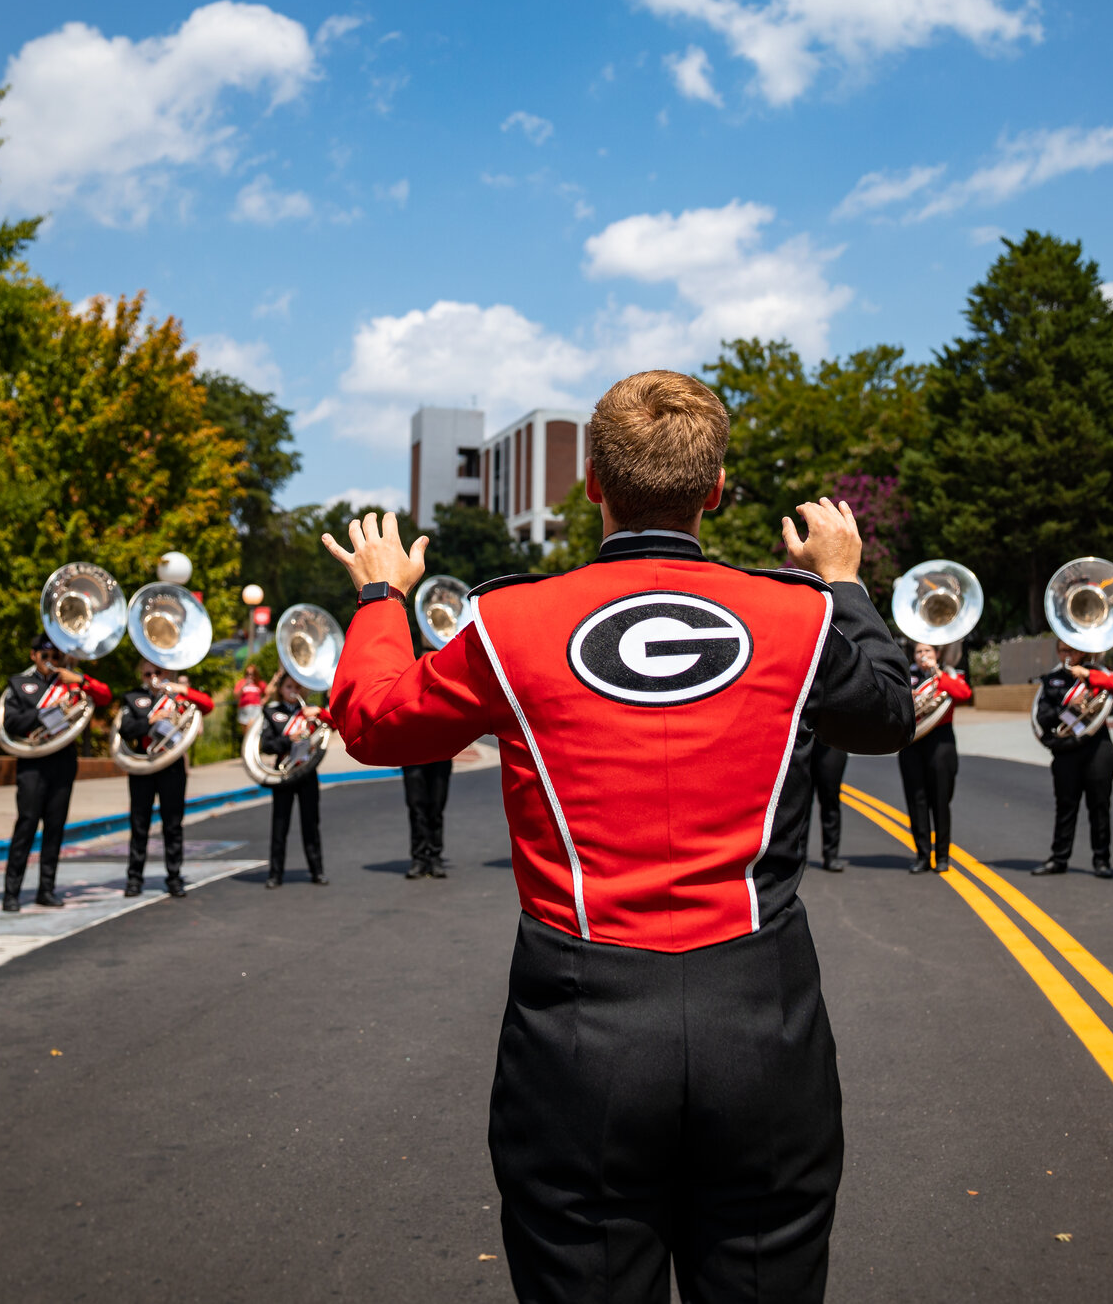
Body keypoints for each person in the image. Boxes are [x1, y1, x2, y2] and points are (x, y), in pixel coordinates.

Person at [323, 370, 911, 1304]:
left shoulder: (508, 621)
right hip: (764, 1023)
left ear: (590, 482)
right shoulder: (799, 615)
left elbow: (371, 719)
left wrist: (380, 600)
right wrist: (842, 580)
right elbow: (888, 712)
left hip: (577, 1031)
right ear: (716, 488)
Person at [0, 635, 110, 912]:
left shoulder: (71, 682)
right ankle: (11, 892)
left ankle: (46, 889)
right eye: (45, 654)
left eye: (56, 656)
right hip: (33, 761)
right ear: (33, 655)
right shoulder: (19, 684)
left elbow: (105, 696)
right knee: (26, 825)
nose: (51, 660)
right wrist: (42, 715)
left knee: (55, 828)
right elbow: (9, 721)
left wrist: (81, 682)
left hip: (62, 759)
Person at [1034, 645, 1113, 876]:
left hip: (1097, 747)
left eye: (1072, 651)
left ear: (1082, 652)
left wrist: (1089, 675)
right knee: (1065, 806)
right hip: (1066, 749)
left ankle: (1102, 860)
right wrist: (1068, 708)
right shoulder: (1052, 680)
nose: (1067, 655)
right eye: (1062, 650)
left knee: (1100, 806)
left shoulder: (1096, 674)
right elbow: (1043, 716)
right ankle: (1059, 858)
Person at [118, 669, 213, 897]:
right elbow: (125, 729)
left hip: (172, 765)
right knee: (139, 823)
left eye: (159, 672)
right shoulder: (132, 697)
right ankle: (134, 878)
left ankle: (174, 876)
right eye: (148, 672)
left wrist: (182, 689)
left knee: (173, 824)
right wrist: (149, 721)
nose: (153, 677)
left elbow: (208, 705)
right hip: (144, 763)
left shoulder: (179, 697)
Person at [898, 642, 975, 873]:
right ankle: (922, 855)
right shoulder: (905, 675)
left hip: (940, 742)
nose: (922, 656)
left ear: (937, 654)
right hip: (912, 742)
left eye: (927, 652)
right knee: (916, 800)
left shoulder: (949, 675)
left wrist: (937, 673)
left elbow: (964, 694)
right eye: (919, 652)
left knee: (940, 800)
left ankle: (942, 856)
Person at [257, 672, 328, 888]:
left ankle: (317, 871)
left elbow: (334, 725)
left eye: (297, 687)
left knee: (311, 824)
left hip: (306, 772)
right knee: (280, 824)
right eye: (289, 686)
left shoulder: (308, 713)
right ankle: (275, 874)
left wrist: (320, 713)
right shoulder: (271, 712)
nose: (293, 691)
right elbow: (266, 746)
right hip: (284, 774)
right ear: (281, 688)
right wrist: (289, 740)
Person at [400, 714, 453, 879]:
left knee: (436, 806)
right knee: (416, 806)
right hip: (413, 750)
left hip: (441, 749)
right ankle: (419, 857)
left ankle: (435, 856)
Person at [797, 730, 849, 872]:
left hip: (831, 742)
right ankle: (799, 857)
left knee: (830, 800)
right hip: (802, 739)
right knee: (801, 802)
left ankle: (831, 855)